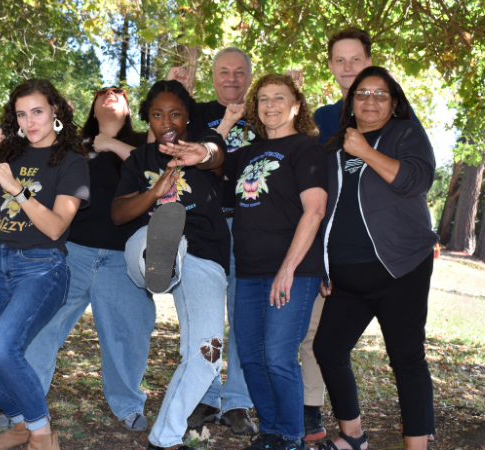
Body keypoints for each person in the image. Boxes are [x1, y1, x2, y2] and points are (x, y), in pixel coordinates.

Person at [0, 79, 90, 450]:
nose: (30, 122)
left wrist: (17, 189)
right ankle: (20, 421)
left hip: (42, 267)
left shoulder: (73, 163)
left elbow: (56, 226)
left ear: (56, 111)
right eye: (21, 114)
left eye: (38, 112)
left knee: (3, 346)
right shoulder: (6, 156)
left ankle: (42, 436)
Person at [302, 28, 423, 442]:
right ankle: (353, 436)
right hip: (345, 272)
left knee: (406, 359)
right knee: (327, 350)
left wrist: (366, 152)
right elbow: (322, 198)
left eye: (357, 61)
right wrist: (320, 261)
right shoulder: (328, 130)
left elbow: (415, 180)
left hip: (398, 266)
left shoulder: (403, 128)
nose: (349, 69)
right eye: (340, 60)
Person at [19, 86, 154, 432]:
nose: (110, 95)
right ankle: (25, 408)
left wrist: (110, 145)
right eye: (102, 93)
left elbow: (156, 173)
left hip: (124, 258)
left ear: (128, 109)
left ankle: (127, 406)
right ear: (93, 109)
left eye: (119, 93)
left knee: (129, 334)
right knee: (43, 326)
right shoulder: (73, 144)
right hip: (71, 252)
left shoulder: (142, 145)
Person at [111, 79, 228, 450]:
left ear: (188, 116)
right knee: (150, 240)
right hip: (150, 242)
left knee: (209, 352)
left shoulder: (204, 141)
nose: (167, 121)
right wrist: (154, 193)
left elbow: (216, 155)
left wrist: (202, 154)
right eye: (158, 115)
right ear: (148, 119)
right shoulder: (139, 160)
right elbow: (117, 214)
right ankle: (158, 266)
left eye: (175, 113)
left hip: (203, 255)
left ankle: (165, 436)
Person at [230, 74, 327, 450]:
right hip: (249, 271)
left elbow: (314, 210)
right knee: (251, 357)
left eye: (279, 97)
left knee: (278, 356)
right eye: (264, 99)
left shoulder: (306, 148)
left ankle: (291, 436)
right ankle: (271, 431)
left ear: (296, 105)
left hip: (292, 270)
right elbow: (213, 163)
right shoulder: (248, 153)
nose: (270, 105)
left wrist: (287, 268)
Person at [169, 46, 258, 434]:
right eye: (224, 71)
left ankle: (237, 401)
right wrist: (173, 88)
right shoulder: (198, 113)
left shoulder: (264, 115)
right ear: (213, 75)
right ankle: (202, 396)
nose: (232, 78)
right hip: (203, 226)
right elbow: (163, 136)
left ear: (250, 78)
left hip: (251, 226)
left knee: (244, 315)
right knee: (200, 318)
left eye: (240, 72)